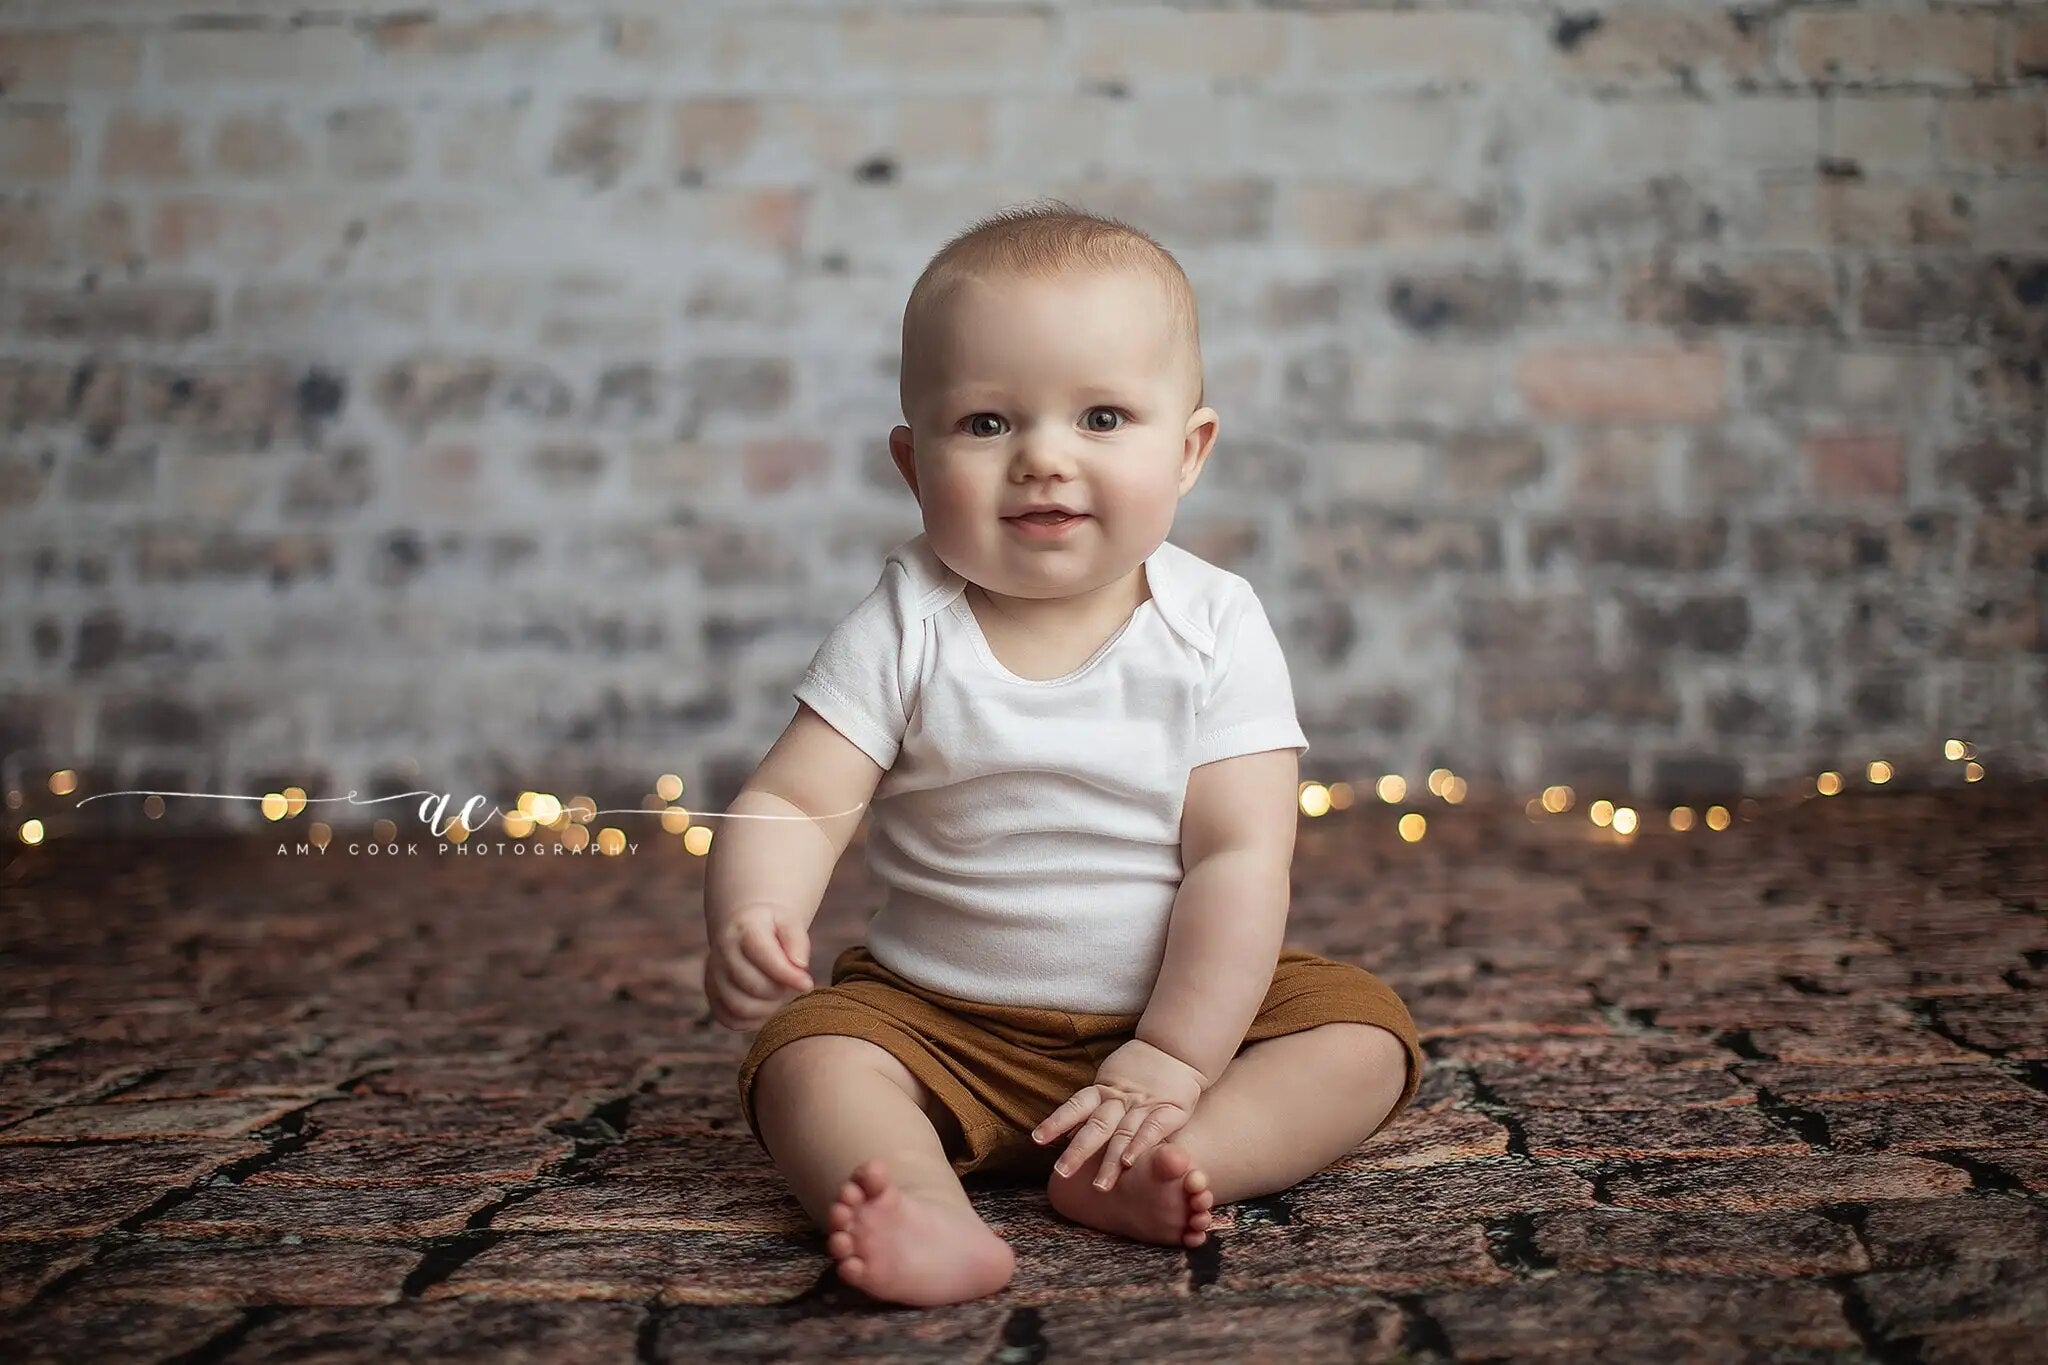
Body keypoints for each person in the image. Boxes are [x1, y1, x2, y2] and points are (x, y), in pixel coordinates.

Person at [703, 200, 1423, 1308]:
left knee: (1361, 1036)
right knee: (810, 1058)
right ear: (911, 462)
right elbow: (799, 798)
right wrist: (752, 908)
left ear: (1187, 453)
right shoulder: (907, 623)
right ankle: (915, 1203)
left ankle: (1168, 1161)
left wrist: (1176, 1056)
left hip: (1180, 1008)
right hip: (939, 1017)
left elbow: (1239, 858)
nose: (1042, 459)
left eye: (1099, 417)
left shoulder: (1213, 626)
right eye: (986, 424)